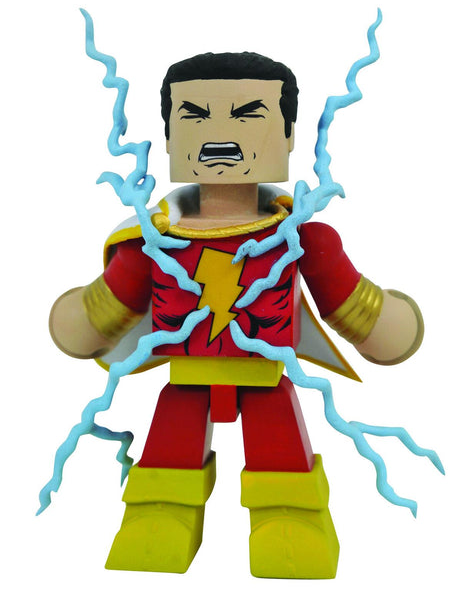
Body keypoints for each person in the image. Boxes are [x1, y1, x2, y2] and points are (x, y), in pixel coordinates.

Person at [49, 52, 423, 578]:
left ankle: (290, 518)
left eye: (248, 115)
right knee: (172, 443)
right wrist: (85, 319)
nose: (219, 135)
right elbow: (98, 313)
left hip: (267, 378)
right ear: (169, 136)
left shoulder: (300, 239)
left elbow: (354, 308)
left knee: (279, 445)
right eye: (196, 116)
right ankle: (158, 514)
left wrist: (380, 322)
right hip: (186, 377)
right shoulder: (152, 242)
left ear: (288, 136)